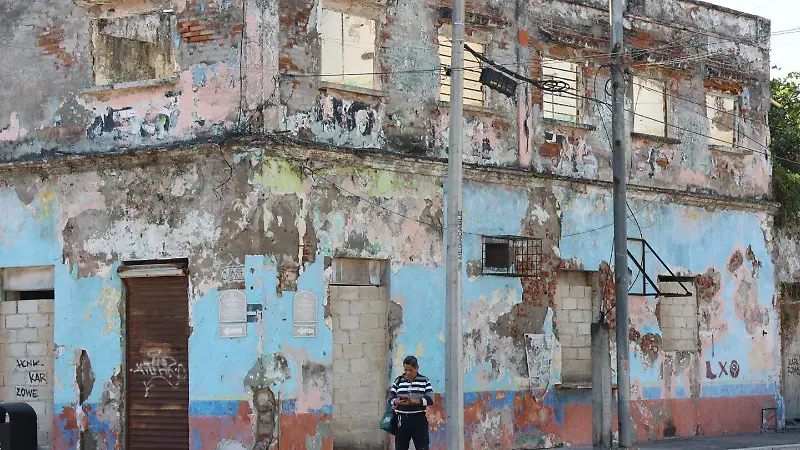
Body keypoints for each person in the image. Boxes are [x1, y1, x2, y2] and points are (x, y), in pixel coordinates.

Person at [387, 355, 434, 450]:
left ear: (417, 368)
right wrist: (397, 402)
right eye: (406, 370)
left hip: (419, 420)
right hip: (401, 421)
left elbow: (430, 400)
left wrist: (414, 401)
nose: (408, 373)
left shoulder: (424, 381)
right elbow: (390, 398)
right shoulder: (398, 381)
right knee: (400, 447)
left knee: (422, 447)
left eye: (410, 370)